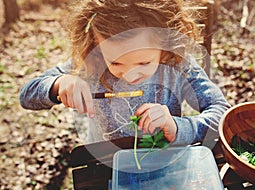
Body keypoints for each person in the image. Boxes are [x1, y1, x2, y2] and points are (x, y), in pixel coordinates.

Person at [20, 0, 230, 145]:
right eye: (116, 63)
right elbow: (26, 95)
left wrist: (177, 127)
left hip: (169, 164)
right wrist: (59, 84)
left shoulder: (178, 65)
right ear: (96, 45)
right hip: (105, 167)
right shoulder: (91, 64)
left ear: (165, 47)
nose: (129, 76)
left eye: (144, 62)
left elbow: (221, 113)